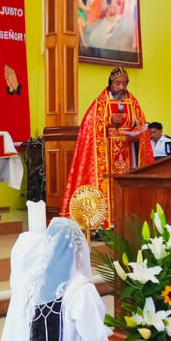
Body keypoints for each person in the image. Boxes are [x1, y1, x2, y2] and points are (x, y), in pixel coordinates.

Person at [61, 67, 153, 228]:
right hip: (106, 156)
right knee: (108, 185)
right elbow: (88, 127)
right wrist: (108, 121)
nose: (121, 87)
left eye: (124, 83)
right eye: (117, 83)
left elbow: (141, 128)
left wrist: (137, 135)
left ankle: (127, 220)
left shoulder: (133, 102)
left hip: (128, 154)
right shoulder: (100, 103)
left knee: (126, 186)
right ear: (110, 83)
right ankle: (105, 222)